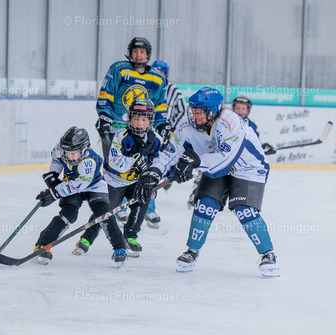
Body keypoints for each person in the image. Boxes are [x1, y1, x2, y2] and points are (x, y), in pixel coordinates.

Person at [134, 87, 280, 277]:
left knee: (244, 210)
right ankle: (192, 251)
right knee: (204, 205)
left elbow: (226, 159)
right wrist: (153, 172)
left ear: (213, 111)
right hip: (214, 165)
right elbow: (171, 151)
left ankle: (268, 254)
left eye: (199, 112)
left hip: (248, 168)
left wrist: (194, 163)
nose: (194, 116)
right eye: (193, 111)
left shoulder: (231, 121)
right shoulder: (187, 124)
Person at [73, 99, 163, 258]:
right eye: (136, 118)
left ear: (150, 121)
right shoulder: (121, 136)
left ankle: (130, 236)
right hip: (114, 181)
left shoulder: (155, 139)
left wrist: (153, 179)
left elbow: (158, 162)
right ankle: (86, 238)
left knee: (143, 201)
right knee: (105, 211)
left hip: (136, 181)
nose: (139, 123)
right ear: (129, 118)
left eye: (144, 119)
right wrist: (134, 161)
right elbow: (114, 161)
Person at [34, 127, 128, 266]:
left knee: (104, 214)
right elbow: (56, 160)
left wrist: (54, 193)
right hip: (71, 183)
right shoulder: (60, 148)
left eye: (73, 153)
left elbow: (79, 185)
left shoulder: (89, 160)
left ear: (84, 149)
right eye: (67, 153)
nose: (69, 156)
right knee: (68, 214)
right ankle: (42, 245)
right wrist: (53, 176)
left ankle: (120, 248)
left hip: (93, 186)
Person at [96, 37, 170, 157]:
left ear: (148, 55)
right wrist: (105, 115)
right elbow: (106, 95)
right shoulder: (119, 69)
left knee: (139, 165)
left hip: (141, 130)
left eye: (142, 52)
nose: (138, 55)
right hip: (116, 127)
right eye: (135, 51)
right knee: (114, 164)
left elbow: (160, 105)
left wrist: (161, 124)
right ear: (130, 53)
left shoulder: (157, 78)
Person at [142, 59, 189, 228]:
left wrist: (171, 128)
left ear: (166, 74)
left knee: (153, 167)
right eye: (154, 71)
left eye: (160, 72)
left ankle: (149, 209)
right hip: (139, 132)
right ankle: (124, 207)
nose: (157, 75)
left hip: (161, 134)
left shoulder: (173, 91)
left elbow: (182, 111)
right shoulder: (144, 86)